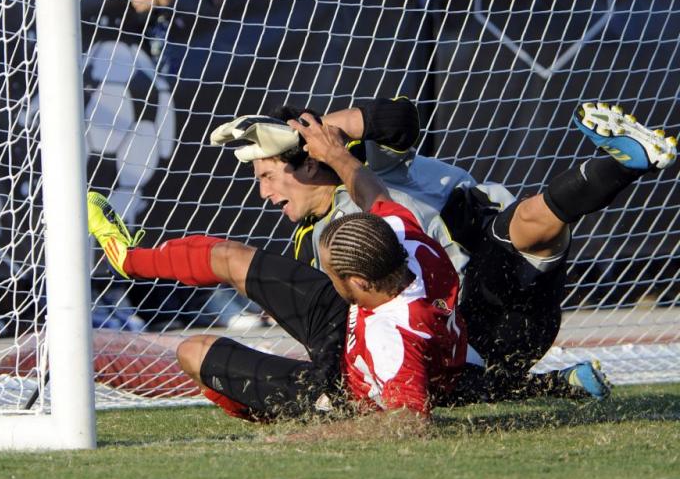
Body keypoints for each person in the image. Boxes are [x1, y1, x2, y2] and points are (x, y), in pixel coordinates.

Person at [213, 99, 677, 403]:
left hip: (497, 294)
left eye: (267, 175)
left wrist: (312, 134)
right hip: (465, 340)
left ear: (309, 159)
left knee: (525, 228)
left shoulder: (374, 164)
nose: (263, 193)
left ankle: (627, 161)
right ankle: (548, 384)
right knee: (397, 365)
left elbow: (401, 118)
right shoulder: (314, 243)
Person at [87, 117, 469, 419]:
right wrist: (335, 152)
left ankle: (293, 412)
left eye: (267, 177)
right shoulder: (404, 235)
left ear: (354, 282)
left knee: (194, 351)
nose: (264, 193)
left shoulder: (391, 338)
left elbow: (407, 422)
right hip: (361, 309)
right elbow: (374, 194)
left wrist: (308, 436)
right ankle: (129, 259)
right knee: (229, 257)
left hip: (341, 385)